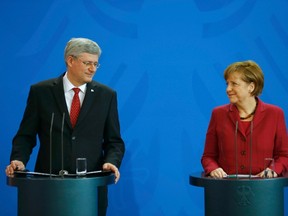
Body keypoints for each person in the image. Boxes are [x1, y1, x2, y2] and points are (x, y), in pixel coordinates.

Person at [5, 37, 125, 215]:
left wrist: (111, 162)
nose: (93, 69)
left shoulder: (106, 95)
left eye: (96, 64)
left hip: (89, 189)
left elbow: (114, 141)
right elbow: (25, 136)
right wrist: (18, 159)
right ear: (70, 60)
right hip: (48, 187)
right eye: (87, 63)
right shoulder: (41, 92)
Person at [201, 60, 288, 179]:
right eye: (227, 84)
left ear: (251, 87)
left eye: (234, 84)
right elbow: (208, 156)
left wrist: (274, 169)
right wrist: (213, 168)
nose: (228, 89)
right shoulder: (218, 114)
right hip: (226, 188)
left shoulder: (275, 114)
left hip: (264, 189)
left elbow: (284, 155)